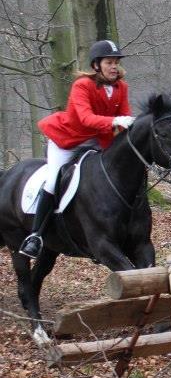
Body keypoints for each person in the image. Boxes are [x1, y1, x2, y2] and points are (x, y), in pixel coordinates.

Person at [19, 40, 136, 258]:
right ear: (96, 65)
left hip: (99, 142)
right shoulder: (82, 85)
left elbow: (125, 117)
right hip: (68, 140)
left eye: (116, 62)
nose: (114, 67)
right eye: (109, 62)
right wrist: (116, 121)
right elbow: (86, 118)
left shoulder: (122, 87)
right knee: (53, 179)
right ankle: (35, 236)